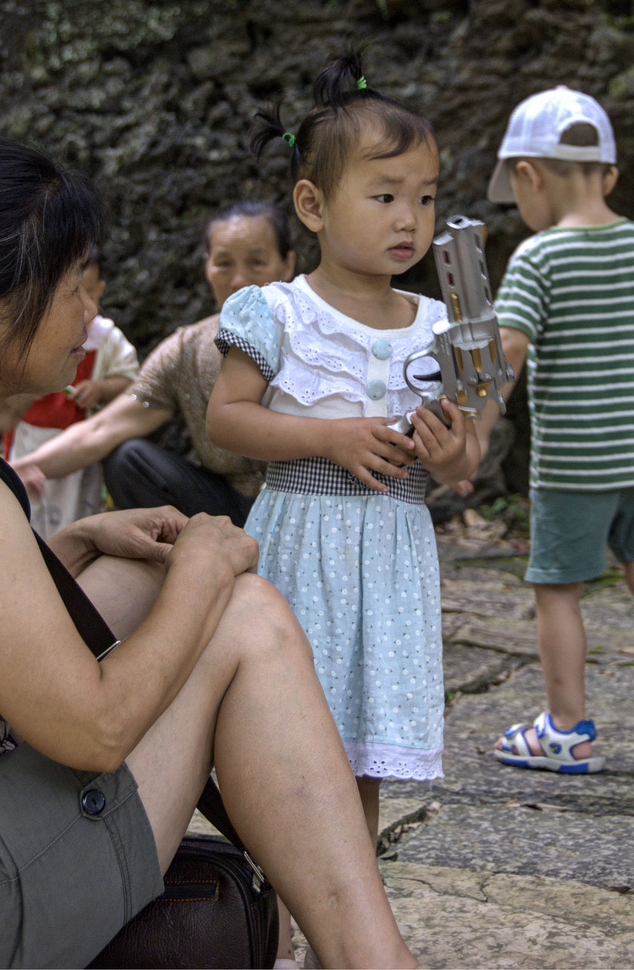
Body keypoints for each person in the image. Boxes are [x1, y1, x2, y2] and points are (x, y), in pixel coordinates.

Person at [0, 135, 419, 970]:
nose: (89, 310)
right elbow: (96, 729)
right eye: (73, 285)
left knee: (136, 570)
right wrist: (202, 572)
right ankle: (373, 958)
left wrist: (70, 541)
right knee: (242, 613)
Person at [206, 50, 479, 927]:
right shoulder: (281, 312)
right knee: (283, 744)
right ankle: (267, 925)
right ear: (313, 205)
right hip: (303, 547)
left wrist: (447, 456)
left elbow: (466, 461)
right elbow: (228, 420)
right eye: (386, 195)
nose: (412, 219)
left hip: (392, 561)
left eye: (427, 197)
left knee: (352, 757)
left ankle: (341, 927)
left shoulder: (439, 325)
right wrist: (327, 436)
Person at [478, 85, 634, 773]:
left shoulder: (539, 258)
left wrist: (474, 435)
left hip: (575, 464)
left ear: (527, 177)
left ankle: (567, 730)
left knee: (558, 590)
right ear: (609, 175)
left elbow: (506, 351)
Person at [12, 201, 296, 526]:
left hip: (312, 504)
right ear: (206, 266)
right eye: (224, 263)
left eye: (257, 262)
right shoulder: (185, 350)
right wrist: (18, 470)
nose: (238, 280)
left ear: (288, 264)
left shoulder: (320, 333)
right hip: (230, 510)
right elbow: (103, 428)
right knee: (128, 459)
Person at [7, 247, 139, 537]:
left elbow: (132, 381)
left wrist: (102, 388)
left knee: (75, 509)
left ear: (102, 290)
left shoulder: (107, 338)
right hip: (31, 437)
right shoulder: (34, 333)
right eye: (70, 294)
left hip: (78, 446)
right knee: (26, 503)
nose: (84, 308)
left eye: (90, 294)